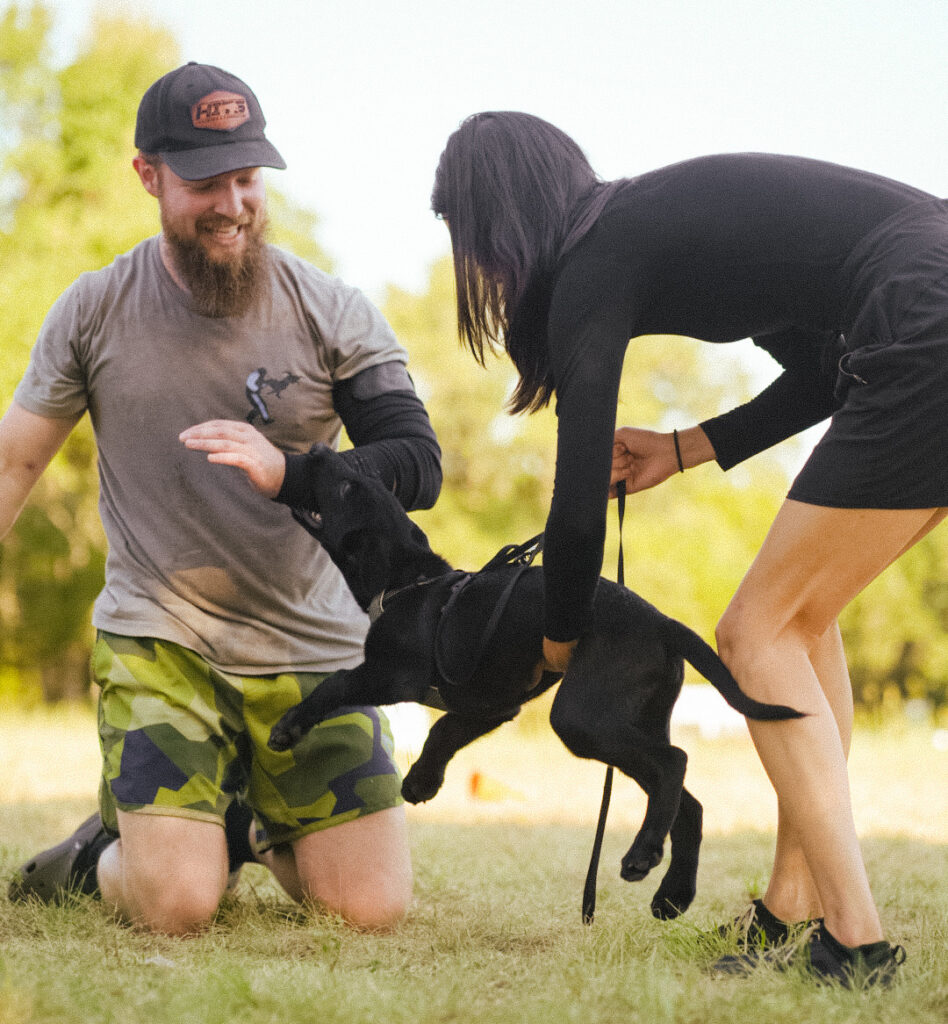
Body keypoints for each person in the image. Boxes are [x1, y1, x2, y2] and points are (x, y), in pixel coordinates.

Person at [430, 111, 944, 986]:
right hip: (921, 306)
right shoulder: (681, 230)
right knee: (801, 626)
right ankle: (793, 907)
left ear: (496, 220)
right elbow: (822, 369)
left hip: (923, 318)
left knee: (754, 634)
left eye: (465, 236)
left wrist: (558, 641)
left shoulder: (599, 256)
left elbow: (577, 501)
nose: (475, 266)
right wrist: (683, 447)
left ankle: (856, 945)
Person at [3, 62, 442, 935]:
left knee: (372, 911)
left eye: (248, 179)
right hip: (162, 636)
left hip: (315, 646)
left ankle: (240, 820)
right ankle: (104, 853)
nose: (235, 204)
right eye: (206, 184)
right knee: (177, 906)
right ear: (148, 175)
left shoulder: (330, 309)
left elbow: (417, 464)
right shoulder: (93, 310)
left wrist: (298, 471)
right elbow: (16, 462)